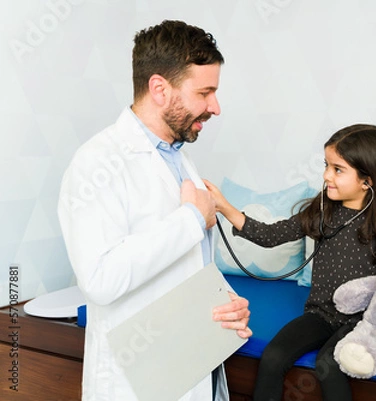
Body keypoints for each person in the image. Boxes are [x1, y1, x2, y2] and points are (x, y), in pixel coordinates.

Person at [57, 20, 252, 401]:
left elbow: (187, 261)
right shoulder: (97, 163)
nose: (216, 106)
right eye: (205, 92)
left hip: (194, 362)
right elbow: (100, 278)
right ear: (160, 89)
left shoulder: (178, 159)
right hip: (139, 383)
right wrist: (191, 219)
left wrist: (225, 301)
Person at [205, 124, 376, 400]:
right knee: (273, 356)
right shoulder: (322, 209)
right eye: (327, 165)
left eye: (338, 169)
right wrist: (225, 207)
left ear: (367, 180)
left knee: (330, 366)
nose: (326, 176)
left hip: (362, 322)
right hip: (320, 315)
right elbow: (270, 235)